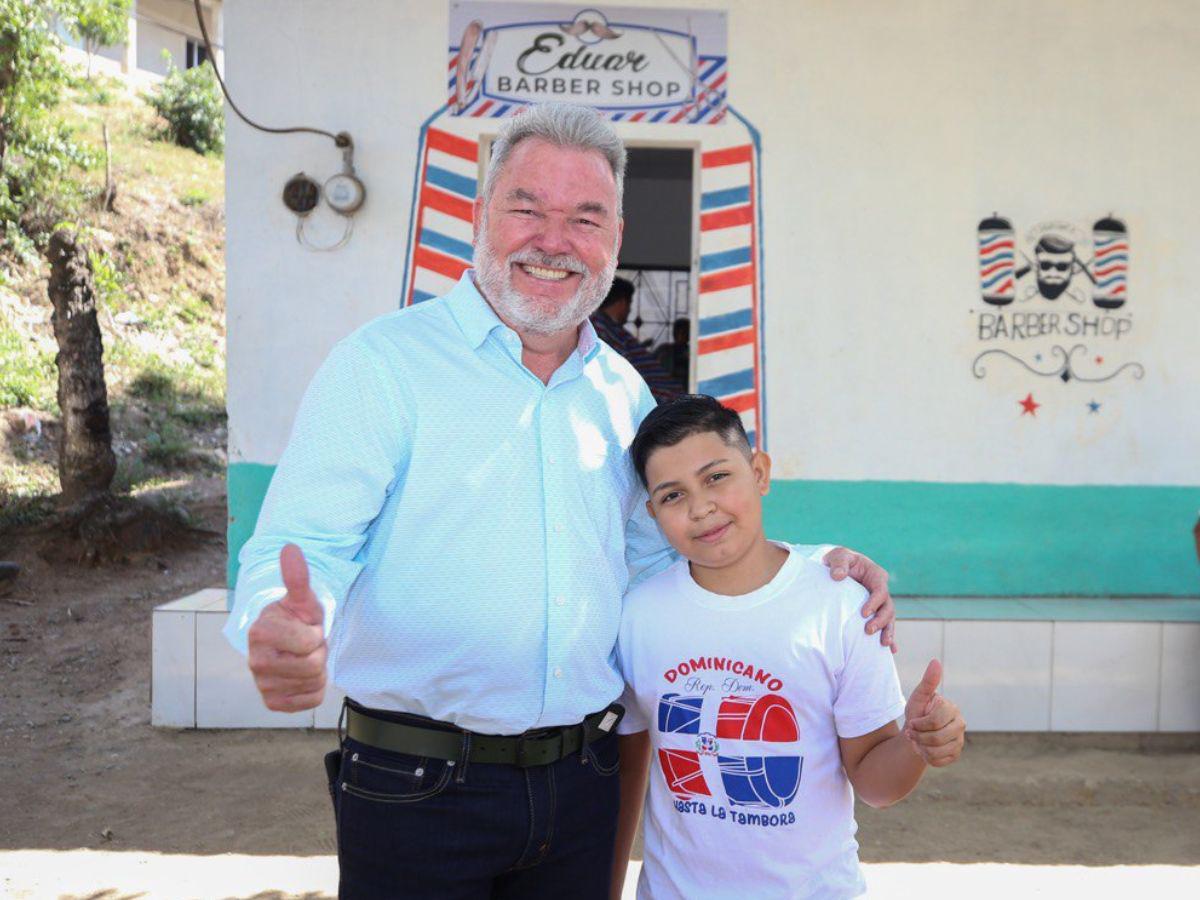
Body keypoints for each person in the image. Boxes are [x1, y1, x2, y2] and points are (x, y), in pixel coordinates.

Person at [224, 103, 897, 899]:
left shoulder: (625, 398)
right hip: (416, 789)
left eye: (586, 217)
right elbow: (302, 550)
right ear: (480, 214)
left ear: (616, 237)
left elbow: (668, 568)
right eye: (527, 208)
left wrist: (816, 571)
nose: (554, 240)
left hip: (582, 783)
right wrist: (279, 617)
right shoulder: (383, 367)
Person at [614, 395, 966, 899]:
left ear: (759, 472)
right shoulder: (637, 615)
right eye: (673, 495)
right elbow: (628, 767)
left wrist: (916, 743)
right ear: (652, 513)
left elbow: (875, 783)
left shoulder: (839, 603)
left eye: (717, 477)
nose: (701, 507)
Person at [590, 276, 683, 401]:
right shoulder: (601, 328)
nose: (629, 310)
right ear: (622, 302)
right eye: (630, 304)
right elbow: (619, 370)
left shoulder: (609, 328)